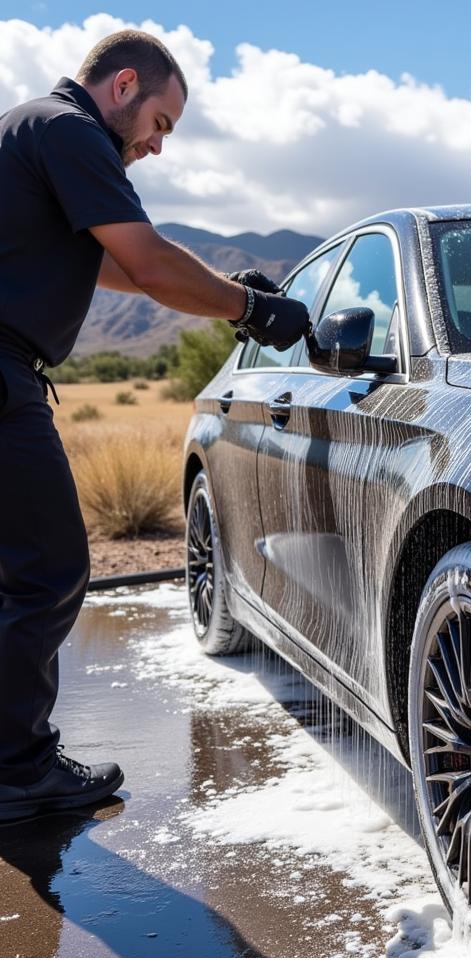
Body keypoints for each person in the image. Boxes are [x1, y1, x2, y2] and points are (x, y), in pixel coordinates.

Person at [0, 30, 309, 822]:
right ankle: (17, 770)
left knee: (18, 575)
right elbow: (145, 262)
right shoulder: (69, 130)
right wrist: (252, 308)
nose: (157, 146)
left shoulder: (29, 127)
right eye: (160, 124)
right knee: (50, 571)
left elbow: (105, 263)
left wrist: (220, 285)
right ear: (124, 84)